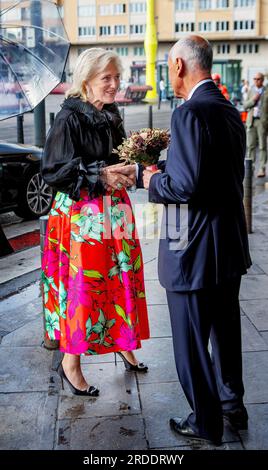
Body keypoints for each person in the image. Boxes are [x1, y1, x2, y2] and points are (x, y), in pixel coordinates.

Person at [142, 35, 251, 446]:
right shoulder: (227, 109)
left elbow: (185, 186)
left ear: (180, 66)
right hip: (228, 243)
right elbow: (219, 173)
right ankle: (230, 405)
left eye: (170, 66)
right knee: (226, 328)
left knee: (190, 340)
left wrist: (151, 179)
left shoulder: (188, 113)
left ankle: (206, 422)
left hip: (192, 246)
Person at [41, 48, 150, 397]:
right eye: (107, 78)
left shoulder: (112, 113)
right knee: (85, 288)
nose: (114, 84)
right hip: (81, 215)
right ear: (86, 79)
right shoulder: (68, 118)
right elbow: (53, 171)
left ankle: (123, 341)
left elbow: (119, 157)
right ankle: (70, 363)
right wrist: (99, 174)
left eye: (117, 77)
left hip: (114, 209)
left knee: (120, 279)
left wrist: (138, 154)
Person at [243, 73, 268, 178]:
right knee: (251, 146)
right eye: (254, 79)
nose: (256, 81)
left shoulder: (266, 91)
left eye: (258, 79)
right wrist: (253, 100)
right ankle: (251, 167)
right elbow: (245, 106)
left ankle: (262, 168)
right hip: (251, 121)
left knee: (262, 146)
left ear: (262, 80)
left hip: (262, 122)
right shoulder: (250, 91)